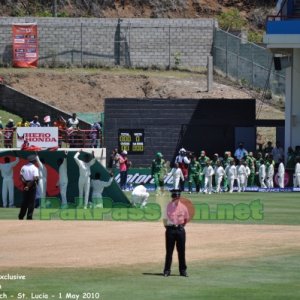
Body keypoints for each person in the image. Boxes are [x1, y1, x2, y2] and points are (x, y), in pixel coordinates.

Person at [163, 189, 189, 277]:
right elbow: (164, 219)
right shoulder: (167, 206)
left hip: (180, 230)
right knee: (169, 251)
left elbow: (185, 219)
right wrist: (168, 227)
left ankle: (183, 270)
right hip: (170, 230)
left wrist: (181, 227)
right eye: (174, 197)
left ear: (179, 198)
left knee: (181, 251)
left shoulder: (183, 207)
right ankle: (167, 270)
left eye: (177, 197)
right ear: (172, 197)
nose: (175, 199)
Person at [19, 154, 39, 220]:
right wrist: (29, 185)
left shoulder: (23, 167)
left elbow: (21, 176)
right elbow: (35, 178)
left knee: (24, 201)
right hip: (32, 185)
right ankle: (29, 216)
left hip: (25, 184)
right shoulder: (35, 168)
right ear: (33, 161)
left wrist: (26, 184)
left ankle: (21, 216)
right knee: (31, 202)